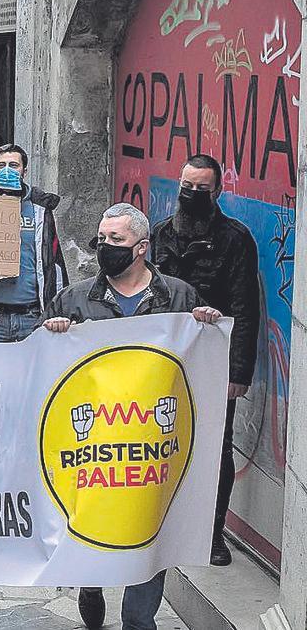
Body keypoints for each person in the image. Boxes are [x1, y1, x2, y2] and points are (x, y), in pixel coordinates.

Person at [42, 203, 222, 630]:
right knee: (94, 530)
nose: (105, 247)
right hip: (92, 448)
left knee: (148, 533)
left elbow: (194, 368)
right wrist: (51, 332)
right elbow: (43, 374)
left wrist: (206, 326)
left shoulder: (179, 297)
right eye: (101, 240)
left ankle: (139, 621)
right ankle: (91, 586)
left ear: (142, 247)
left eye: (116, 241)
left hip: (149, 452)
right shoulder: (73, 299)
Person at [149, 153, 260, 567]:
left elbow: (246, 309)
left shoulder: (235, 239)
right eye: (186, 186)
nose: (191, 194)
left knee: (216, 448)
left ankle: (213, 535)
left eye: (200, 188)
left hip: (213, 363)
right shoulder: (159, 235)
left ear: (216, 191)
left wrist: (239, 372)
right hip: (164, 361)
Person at [0, 144, 69, 343]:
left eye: (13, 165)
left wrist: (57, 309)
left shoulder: (40, 208)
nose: (7, 170)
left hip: (32, 317)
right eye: (1, 165)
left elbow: (54, 262)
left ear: (24, 171)